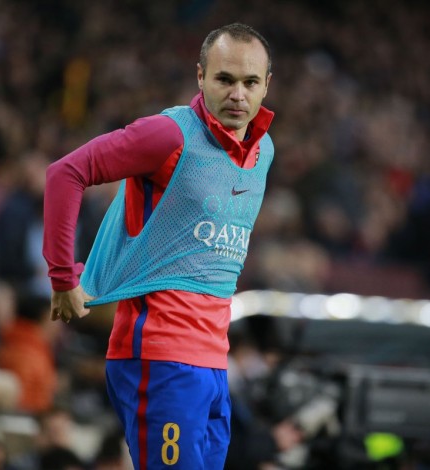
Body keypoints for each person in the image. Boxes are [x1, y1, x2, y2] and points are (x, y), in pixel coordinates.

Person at [43, 23, 274, 470]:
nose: (238, 95)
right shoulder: (168, 135)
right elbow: (65, 173)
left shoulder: (264, 151)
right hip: (159, 354)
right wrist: (62, 277)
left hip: (214, 360)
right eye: (224, 79)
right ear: (200, 77)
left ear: (267, 85)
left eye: (250, 82)